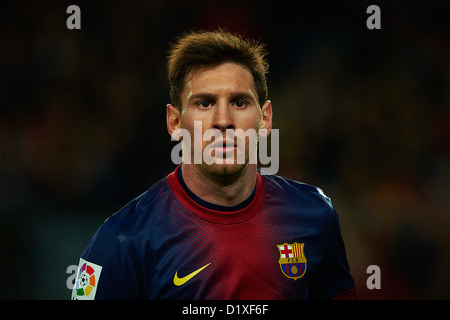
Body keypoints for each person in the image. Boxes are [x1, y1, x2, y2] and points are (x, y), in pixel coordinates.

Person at [71, 29, 356, 300]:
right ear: (175, 122)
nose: (223, 120)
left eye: (239, 102)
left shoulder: (315, 215)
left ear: (265, 118)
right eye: (205, 103)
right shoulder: (122, 240)